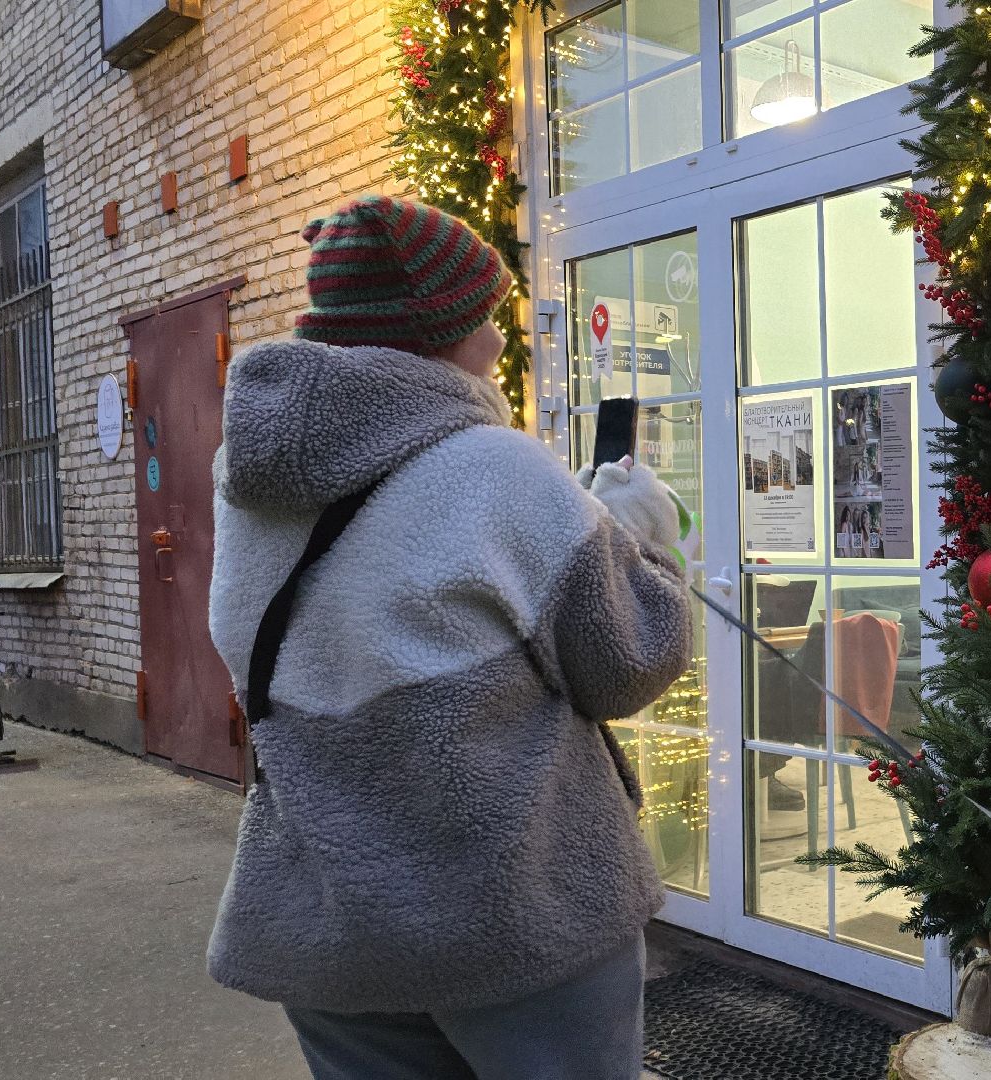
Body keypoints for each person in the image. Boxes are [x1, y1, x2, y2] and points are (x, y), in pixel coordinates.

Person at [206, 195, 692, 1080]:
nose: (501, 340)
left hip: (334, 918)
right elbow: (629, 662)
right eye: (485, 317)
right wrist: (644, 538)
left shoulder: (248, 479)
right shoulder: (498, 465)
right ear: (433, 335)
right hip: (514, 910)